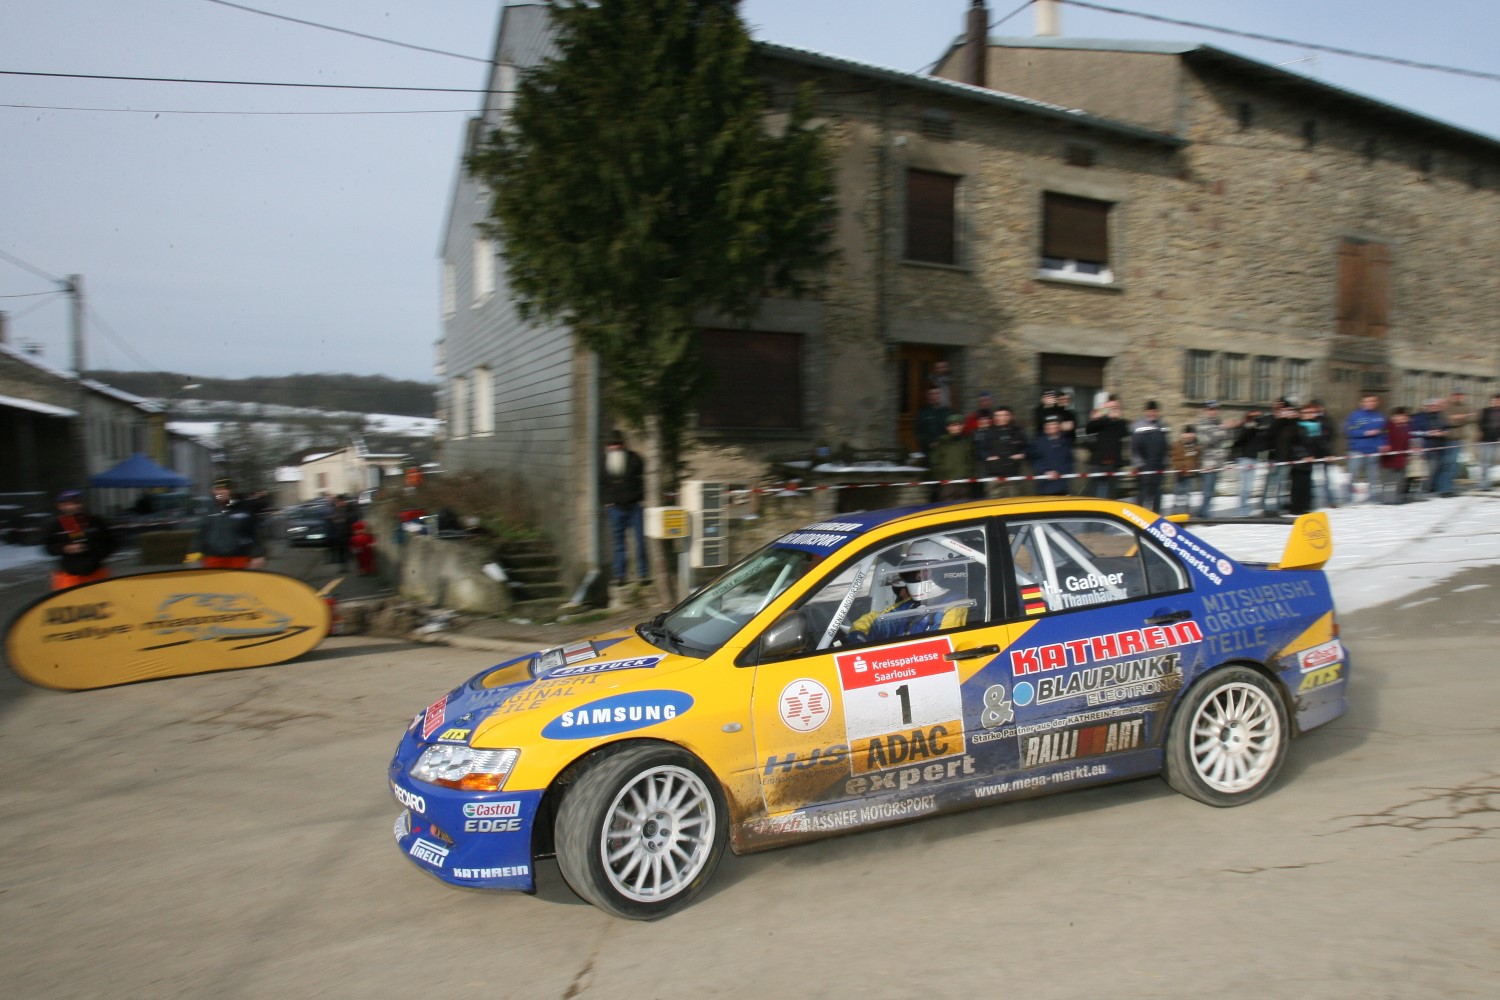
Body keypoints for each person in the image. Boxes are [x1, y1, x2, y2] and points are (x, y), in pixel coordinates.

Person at [847, 540, 970, 645]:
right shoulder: (913, 604)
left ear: (946, 570)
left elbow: (939, 648)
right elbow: (879, 620)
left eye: (925, 570)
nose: (918, 576)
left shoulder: (955, 607)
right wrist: (858, 635)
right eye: (916, 569)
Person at [44, 488, 117, 591]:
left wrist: (91, 549)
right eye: (69, 504)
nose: (74, 507)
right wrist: (65, 548)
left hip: (96, 573)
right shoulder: (55, 525)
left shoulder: (96, 522)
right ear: (60, 506)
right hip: (68, 577)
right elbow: (48, 547)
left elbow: (111, 543)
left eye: (77, 503)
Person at [601, 430, 648, 584]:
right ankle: (619, 575)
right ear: (607, 447)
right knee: (618, 544)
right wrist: (608, 501)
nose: (615, 447)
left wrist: (640, 496)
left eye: (617, 444)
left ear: (623, 445)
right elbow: (602, 484)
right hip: (615, 508)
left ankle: (642, 574)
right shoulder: (604, 462)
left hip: (634, 507)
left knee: (640, 541)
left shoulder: (634, 459)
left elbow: (643, 478)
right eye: (612, 444)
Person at [193, 478, 266, 569]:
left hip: (238, 558)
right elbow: (201, 534)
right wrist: (193, 557)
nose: (221, 492)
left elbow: (253, 532)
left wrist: (258, 554)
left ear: (231, 490)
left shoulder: (244, 507)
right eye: (218, 489)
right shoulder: (208, 509)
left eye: (225, 488)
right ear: (213, 491)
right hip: (212, 559)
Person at [1343, 393, 1388, 504]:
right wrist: (1365, 433)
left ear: (1377, 402)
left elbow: (1384, 432)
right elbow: (1349, 431)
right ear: (1362, 403)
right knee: (1352, 474)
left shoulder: (1379, 416)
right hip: (1357, 449)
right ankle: (1348, 498)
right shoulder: (1356, 416)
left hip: (1373, 450)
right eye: (1367, 401)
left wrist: (1384, 444)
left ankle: (1374, 497)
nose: (1370, 403)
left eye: (1373, 401)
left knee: (1373, 475)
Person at [1084, 397, 1129, 500]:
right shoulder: (1099, 422)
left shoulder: (1120, 423)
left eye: (1115, 407)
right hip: (1098, 463)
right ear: (1105, 409)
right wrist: (1102, 415)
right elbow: (1089, 428)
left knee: (1110, 495)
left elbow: (1124, 432)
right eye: (1110, 407)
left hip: (1114, 464)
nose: (1113, 410)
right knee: (1096, 494)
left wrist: (1116, 418)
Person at [1130, 400, 1170, 513]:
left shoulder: (1162, 425)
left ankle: (1156, 516)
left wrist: (1165, 462)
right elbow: (1134, 449)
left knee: (1157, 494)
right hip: (1144, 466)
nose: (1152, 414)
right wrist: (1140, 465)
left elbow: (1166, 446)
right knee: (1143, 494)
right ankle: (1139, 516)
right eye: (1150, 411)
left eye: (1155, 411)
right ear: (1146, 412)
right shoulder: (1138, 426)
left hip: (1159, 466)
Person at [1411, 398, 1453, 496]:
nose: (1434, 407)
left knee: (1436, 469)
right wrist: (1428, 433)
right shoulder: (1419, 417)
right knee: (1428, 471)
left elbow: (1446, 427)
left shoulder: (1440, 416)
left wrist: (1444, 432)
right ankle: (1424, 490)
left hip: (1439, 446)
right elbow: (1413, 432)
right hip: (1426, 447)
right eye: (1432, 406)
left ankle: (1432, 488)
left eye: (1435, 406)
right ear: (1426, 407)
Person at [1232, 406, 1269, 516]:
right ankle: (1243, 510)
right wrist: (1249, 428)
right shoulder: (1245, 426)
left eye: (1258, 415)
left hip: (1253, 457)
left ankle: (1245, 508)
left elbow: (1261, 442)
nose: (1256, 417)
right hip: (1245, 457)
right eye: (1254, 415)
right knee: (1246, 486)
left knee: (1249, 486)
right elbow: (1239, 441)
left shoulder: (1258, 428)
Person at [1195, 401, 1229, 518]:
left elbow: (1225, 438)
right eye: (1210, 409)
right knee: (1207, 490)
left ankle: (1203, 512)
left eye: (1215, 409)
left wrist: (1221, 430)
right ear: (1205, 410)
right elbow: (1206, 441)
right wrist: (1220, 430)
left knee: (1211, 490)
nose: (1213, 412)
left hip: (1218, 461)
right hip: (1207, 462)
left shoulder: (1218, 423)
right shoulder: (1202, 423)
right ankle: (1205, 514)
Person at [927, 413, 973, 501]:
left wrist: (969, 475)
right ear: (947, 428)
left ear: (962, 426)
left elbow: (971, 460)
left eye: (957, 425)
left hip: (963, 483)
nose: (955, 428)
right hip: (947, 484)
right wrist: (941, 478)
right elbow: (935, 462)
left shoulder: (967, 442)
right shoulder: (941, 442)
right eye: (952, 425)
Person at [988, 405, 1031, 497]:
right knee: (995, 503)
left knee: (1014, 502)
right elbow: (982, 449)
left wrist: (1023, 454)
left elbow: (1028, 447)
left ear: (1011, 416)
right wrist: (987, 456)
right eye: (998, 415)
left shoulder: (1018, 432)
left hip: (1014, 475)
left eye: (1005, 415)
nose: (1002, 418)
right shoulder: (989, 433)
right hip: (995, 477)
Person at [1027, 414, 1074, 495]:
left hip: (1063, 486)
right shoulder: (1038, 442)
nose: (1050, 427)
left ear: (1059, 426)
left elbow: (1069, 460)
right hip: (1045, 487)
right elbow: (1034, 460)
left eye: (1054, 424)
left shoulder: (1065, 441)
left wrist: (1065, 472)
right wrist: (1046, 471)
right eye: (1047, 425)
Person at [1381, 407, 1412, 504]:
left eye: (1403, 417)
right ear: (1393, 417)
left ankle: (1398, 499)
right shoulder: (1387, 426)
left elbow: (1408, 442)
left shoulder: (1407, 428)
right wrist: (1384, 446)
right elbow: (1382, 438)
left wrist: (1408, 454)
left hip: (1401, 458)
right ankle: (1387, 499)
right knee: (1388, 481)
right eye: (1398, 416)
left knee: (1400, 481)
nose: (1401, 418)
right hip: (1389, 459)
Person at [913, 386, 952, 460]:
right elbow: (918, 431)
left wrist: (942, 442)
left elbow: (951, 430)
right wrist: (929, 443)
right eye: (931, 394)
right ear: (927, 396)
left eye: (936, 393)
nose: (934, 396)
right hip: (928, 450)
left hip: (945, 449)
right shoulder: (922, 413)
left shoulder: (947, 412)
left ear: (940, 395)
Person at [1171, 425, 1201, 514]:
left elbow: (1197, 459)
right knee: (1178, 492)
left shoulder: (1196, 446)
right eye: (1187, 434)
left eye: (1191, 434)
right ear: (1183, 435)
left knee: (1188, 493)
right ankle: (1176, 511)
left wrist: (1195, 468)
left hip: (1190, 473)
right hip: (1180, 473)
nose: (1189, 437)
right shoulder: (1177, 445)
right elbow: (1174, 458)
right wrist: (1181, 468)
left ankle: (1186, 511)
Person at [1478, 392, 1500, 490]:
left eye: (1498, 401)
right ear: (1492, 401)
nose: (1496, 402)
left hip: (1496, 440)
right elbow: (1480, 424)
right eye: (1495, 400)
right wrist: (1488, 429)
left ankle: (1487, 482)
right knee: (1485, 462)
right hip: (1485, 439)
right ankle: (1484, 484)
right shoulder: (1485, 411)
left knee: (1490, 462)